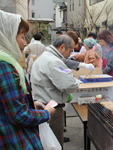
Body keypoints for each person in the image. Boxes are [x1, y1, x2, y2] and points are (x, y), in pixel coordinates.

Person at [0, 10, 55, 149]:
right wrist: (46, 113)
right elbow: (19, 115)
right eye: (22, 36)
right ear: (7, 36)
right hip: (13, 140)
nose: (24, 42)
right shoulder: (5, 67)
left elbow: (7, 103)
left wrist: (30, 103)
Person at [31, 35, 81, 149]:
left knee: (48, 143)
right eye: (70, 50)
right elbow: (69, 84)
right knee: (55, 144)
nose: (70, 54)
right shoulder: (53, 61)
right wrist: (78, 82)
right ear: (62, 47)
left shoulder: (46, 56)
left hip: (42, 103)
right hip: (52, 107)